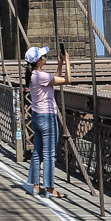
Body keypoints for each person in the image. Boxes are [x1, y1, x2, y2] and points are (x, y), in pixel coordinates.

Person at [25, 45, 71, 197]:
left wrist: (60, 64)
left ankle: (36, 186)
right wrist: (68, 61)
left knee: (37, 152)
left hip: (37, 116)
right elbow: (67, 80)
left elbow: (54, 81)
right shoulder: (41, 76)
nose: (45, 58)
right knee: (50, 154)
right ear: (38, 61)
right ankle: (50, 188)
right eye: (43, 57)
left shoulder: (33, 75)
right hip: (47, 117)